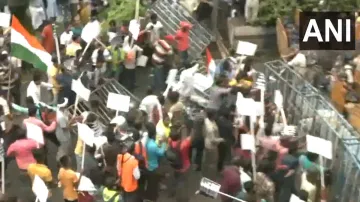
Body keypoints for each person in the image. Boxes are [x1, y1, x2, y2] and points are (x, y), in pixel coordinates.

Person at [167, 121, 194, 202]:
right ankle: (181, 198)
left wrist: (179, 129)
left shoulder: (170, 141)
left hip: (174, 166)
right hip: (184, 167)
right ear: (179, 136)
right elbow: (192, 136)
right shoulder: (184, 144)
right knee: (182, 183)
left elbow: (173, 136)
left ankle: (172, 192)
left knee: (175, 179)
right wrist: (192, 128)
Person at [144, 122, 166, 201]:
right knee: (153, 184)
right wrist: (163, 143)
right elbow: (161, 153)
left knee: (149, 182)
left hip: (147, 165)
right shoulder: (152, 145)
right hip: (153, 167)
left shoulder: (146, 141)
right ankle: (152, 197)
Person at [202, 109, 224, 180]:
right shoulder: (210, 128)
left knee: (207, 159)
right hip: (212, 146)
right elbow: (213, 140)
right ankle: (210, 176)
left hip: (207, 142)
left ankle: (205, 172)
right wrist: (221, 139)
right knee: (213, 161)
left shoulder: (207, 120)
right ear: (212, 116)